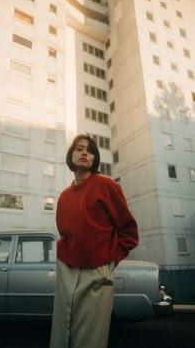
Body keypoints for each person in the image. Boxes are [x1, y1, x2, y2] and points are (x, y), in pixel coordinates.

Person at [50, 134, 139, 348]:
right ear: (71, 156)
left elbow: (129, 231)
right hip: (66, 269)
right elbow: (65, 233)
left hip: (97, 272)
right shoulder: (63, 196)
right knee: (62, 335)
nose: (84, 153)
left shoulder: (106, 185)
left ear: (94, 159)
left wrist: (110, 262)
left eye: (89, 150)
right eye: (79, 148)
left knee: (90, 340)